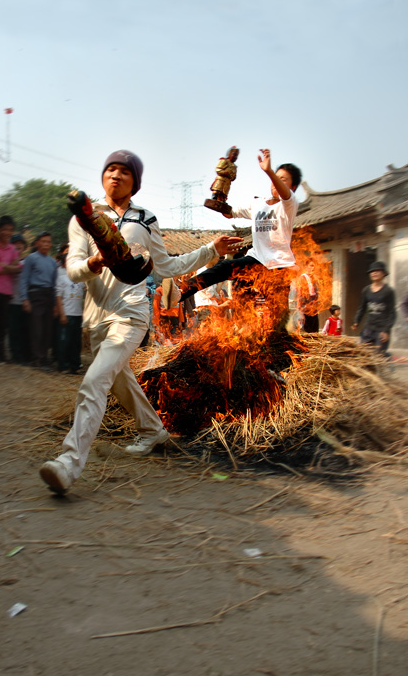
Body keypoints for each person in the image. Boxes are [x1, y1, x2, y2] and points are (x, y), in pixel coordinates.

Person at [39, 149, 242, 494]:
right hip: (97, 318)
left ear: (135, 182)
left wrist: (211, 250)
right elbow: (73, 269)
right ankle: (153, 431)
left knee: (95, 381)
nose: (115, 176)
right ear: (103, 176)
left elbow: (167, 267)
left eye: (124, 172)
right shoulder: (83, 219)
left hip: (131, 315)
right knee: (119, 381)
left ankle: (69, 463)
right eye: (110, 170)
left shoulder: (145, 219)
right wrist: (93, 263)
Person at [180, 149, 302, 328]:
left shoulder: (289, 204)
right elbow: (230, 213)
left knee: (279, 319)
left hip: (278, 266)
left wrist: (268, 171)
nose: (275, 184)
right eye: (275, 179)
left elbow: (285, 195)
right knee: (226, 269)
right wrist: (221, 192)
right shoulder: (258, 203)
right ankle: (182, 291)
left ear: (292, 187)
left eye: (283, 180)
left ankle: (279, 342)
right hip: (256, 259)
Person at [20, 231, 58, 369]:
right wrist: (25, 299)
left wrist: (55, 304)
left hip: (48, 295)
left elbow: (54, 284)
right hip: (35, 294)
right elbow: (23, 279)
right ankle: (36, 358)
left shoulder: (53, 262)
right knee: (37, 328)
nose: (46, 244)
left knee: (47, 328)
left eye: (48, 242)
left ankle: (44, 357)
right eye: (43, 241)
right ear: (37, 243)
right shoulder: (31, 258)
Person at [0, 216, 21, 362]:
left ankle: (0, 354)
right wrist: (9, 267)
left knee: (2, 324)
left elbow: (19, 267)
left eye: (10, 230)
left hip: (7, 291)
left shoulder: (12, 248)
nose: (7, 232)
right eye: (5, 229)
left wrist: (4, 266)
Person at [351, 261, 396, 355]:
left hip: (381, 329)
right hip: (368, 328)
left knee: (379, 355)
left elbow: (392, 313)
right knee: (364, 354)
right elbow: (362, 308)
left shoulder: (388, 291)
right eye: (372, 271)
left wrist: (386, 330)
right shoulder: (366, 290)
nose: (374, 273)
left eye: (377, 271)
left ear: (383, 273)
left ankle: (387, 358)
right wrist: (356, 322)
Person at [56, 253, 85, 373]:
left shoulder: (81, 280)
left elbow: (86, 289)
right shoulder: (62, 279)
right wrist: (62, 314)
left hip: (78, 314)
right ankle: (63, 366)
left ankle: (75, 366)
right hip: (67, 314)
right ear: (64, 264)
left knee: (76, 342)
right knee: (64, 341)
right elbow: (58, 297)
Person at [8, 233, 30, 364]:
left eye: (20, 247)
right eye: (15, 247)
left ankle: (23, 355)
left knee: (24, 329)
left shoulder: (27, 262)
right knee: (13, 329)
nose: (18, 249)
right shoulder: (9, 262)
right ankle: (14, 355)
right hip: (11, 300)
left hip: (24, 301)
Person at [298, 260, 319, 333]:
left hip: (314, 307)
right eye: (311, 265)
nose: (313, 268)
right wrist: (303, 306)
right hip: (306, 307)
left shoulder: (313, 278)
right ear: (307, 266)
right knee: (308, 329)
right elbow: (301, 293)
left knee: (315, 329)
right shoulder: (303, 277)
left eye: (314, 266)